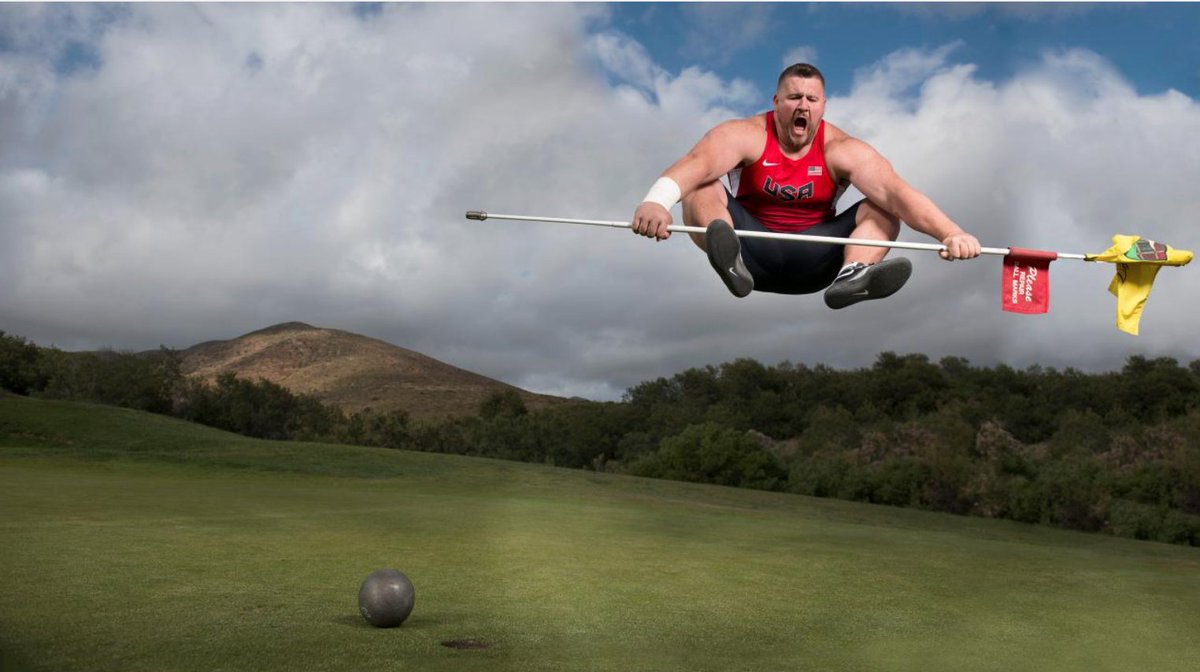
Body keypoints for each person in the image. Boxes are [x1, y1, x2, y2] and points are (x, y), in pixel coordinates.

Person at [631, 63, 982, 308]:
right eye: (794, 97)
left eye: (811, 100)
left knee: (884, 207)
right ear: (776, 102)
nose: (803, 106)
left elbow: (897, 192)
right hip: (750, 253)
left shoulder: (840, 149)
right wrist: (656, 202)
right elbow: (696, 164)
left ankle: (854, 275)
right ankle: (729, 261)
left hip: (816, 262)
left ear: (823, 106)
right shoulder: (745, 134)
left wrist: (950, 233)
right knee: (700, 185)